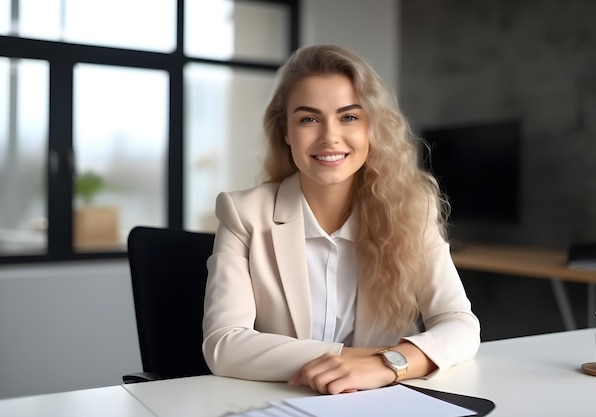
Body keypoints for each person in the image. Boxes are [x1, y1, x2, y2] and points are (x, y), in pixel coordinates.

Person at [202, 44, 480, 395]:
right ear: (285, 131)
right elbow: (224, 345)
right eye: (308, 119)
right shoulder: (244, 213)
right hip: (285, 400)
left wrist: (386, 366)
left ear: (371, 128)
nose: (329, 136)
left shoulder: (413, 210)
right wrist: (365, 361)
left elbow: (459, 324)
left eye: (349, 117)